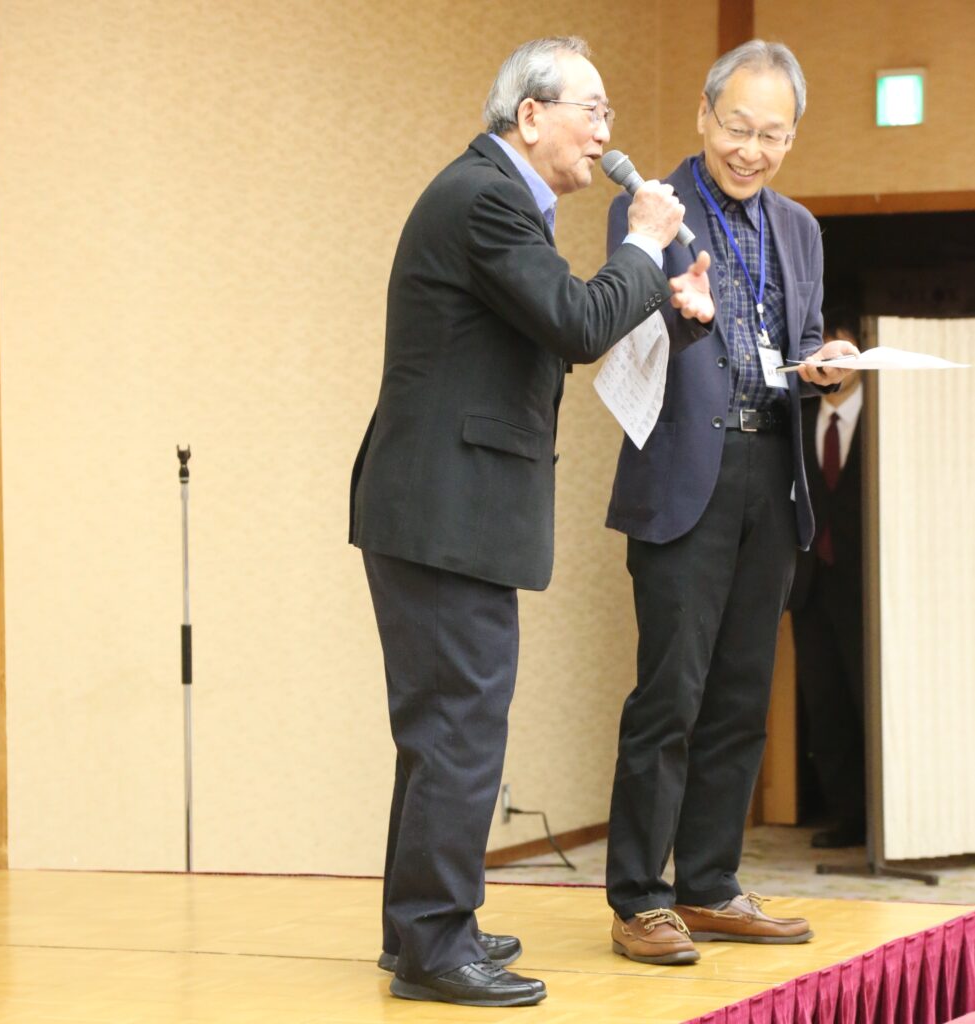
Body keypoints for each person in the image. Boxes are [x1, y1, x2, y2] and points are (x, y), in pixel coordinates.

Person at [349, 36, 714, 1007]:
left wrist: (664, 301)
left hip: (442, 508)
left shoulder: (497, 201)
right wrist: (644, 241)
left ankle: (421, 928)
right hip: (444, 510)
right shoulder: (485, 199)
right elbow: (577, 322)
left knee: (444, 730)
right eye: (591, 110)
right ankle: (434, 945)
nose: (603, 132)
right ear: (529, 116)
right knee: (459, 730)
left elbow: (568, 320)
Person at [603, 39, 859, 966]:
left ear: (792, 137)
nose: (752, 149)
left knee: (742, 696)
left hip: (770, 471)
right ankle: (639, 900)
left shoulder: (799, 228)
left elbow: (797, 345)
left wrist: (826, 369)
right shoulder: (652, 205)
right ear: (704, 116)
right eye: (738, 127)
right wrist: (680, 314)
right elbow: (623, 329)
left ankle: (708, 886)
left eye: (773, 134)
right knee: (669, 694)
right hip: (684, 474)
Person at [790, 317, 865, 849]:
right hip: (813, 585)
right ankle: (849, 817)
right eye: (823, 355)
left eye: (843, 353)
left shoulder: (886, 419)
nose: (832, 364)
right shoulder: (799, 417)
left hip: (871, 587)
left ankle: (892, 822)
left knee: (870, 698)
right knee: (825, 704)